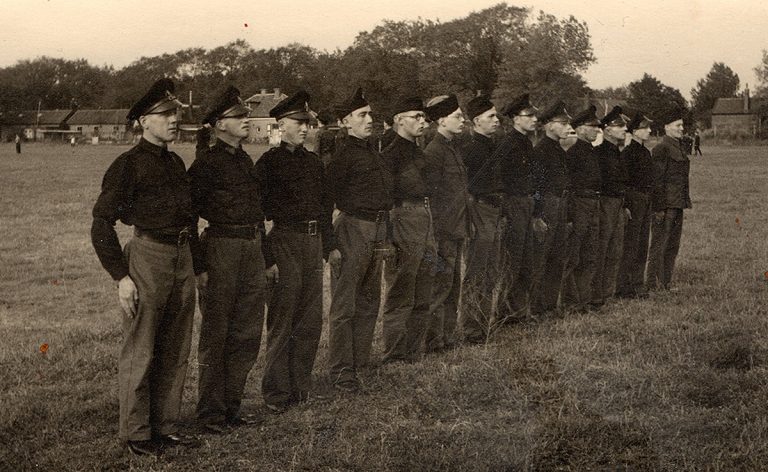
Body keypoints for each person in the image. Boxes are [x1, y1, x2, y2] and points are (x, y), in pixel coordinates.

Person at [91, 78, 198, 456]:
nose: (174, 119)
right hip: (148, 256)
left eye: (176, 113)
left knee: (175, 345)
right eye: (165, 114)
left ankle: (166, 425)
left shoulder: (175, 161)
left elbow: (188, 218)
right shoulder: (127, 166)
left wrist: (196, 267)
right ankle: (136, 434)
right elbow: (101, 222)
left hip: (181, 256)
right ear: (144, 121)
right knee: (142, 347)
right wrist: (121, 276)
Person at [188, 85, 266, 433]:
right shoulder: (206, 164)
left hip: (250, 248)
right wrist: (199, 265)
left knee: (247, 332)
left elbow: (256, 213)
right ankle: (210, 413)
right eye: (239, 117)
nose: (246, 121)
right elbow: (189, 217)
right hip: (220, 247)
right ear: (220, 125)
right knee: (217, 334)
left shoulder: (244, 158)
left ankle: (231, 406)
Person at [256, 90, 333, 412]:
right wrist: (267, 257)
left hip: (313, 245)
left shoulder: (314, 162)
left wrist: (329, 246)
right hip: (285, 240)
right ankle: (276, 392)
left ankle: (300, 387)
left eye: (307, 123)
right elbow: (256, 213)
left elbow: (325, 207)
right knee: (283, 319)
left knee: (309, 319)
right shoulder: (269, 163)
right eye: (298, 123)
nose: (305, 128)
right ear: (280, 125)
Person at [325, 87, 393, 392]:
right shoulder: (343, 156)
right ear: (346, 122)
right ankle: (341, 370)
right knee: (345, 303)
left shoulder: (373, 152)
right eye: (362, 115)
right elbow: (327, 199)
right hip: (353, 227)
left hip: (377, 228)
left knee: (369, 299)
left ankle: (359, 362)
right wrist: (331, 245)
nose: (369, 120)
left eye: (370, 114)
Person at [381, 96, 436, 363]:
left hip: (425, 218)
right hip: (403, 217)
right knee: (402, 287)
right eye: (416, 117)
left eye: (424, 117)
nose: (422, 122)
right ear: (399, 120)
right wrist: (390, 237)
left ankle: (414, 350)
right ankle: (394, 353)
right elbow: (386, 199)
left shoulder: (419, 152)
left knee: (424, 285)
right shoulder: (390, 154)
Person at [422, 94, 472, 352]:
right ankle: (433, 340)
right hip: (442, 231)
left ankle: (447, 336)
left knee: (452, 285)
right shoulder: (434, 152)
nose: (462, 120)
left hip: (456, 228)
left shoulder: (451, 148)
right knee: (440, 286)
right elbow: (430, 196)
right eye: (456, 116)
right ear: (441, 120)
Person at [459, 95, 503, 343]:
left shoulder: (493, 146)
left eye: (496, 116)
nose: (496, 120)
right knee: (477, 271)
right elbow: (466, 189)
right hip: (480, 211)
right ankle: (471, 328)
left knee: (491, 271)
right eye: (491, 117)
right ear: (477, 121)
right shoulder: (471, 150)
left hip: (494, 211)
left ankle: (484, 324)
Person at [495, 93, 542, 322]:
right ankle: (506, 312)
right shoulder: (507, 144)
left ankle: (520, 310)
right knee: (511, 260)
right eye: (529, 115)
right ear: (515, 118)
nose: (534, 119)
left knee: (526, 260)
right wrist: (505, 212)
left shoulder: (526, 142)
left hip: (527, 203)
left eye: (535, 115)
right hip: (513, 204)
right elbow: (500, 179)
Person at [529, 101, 572, 316]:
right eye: (562, 123)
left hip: (560, 204)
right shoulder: (542, 150)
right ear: (549, 125)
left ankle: (549, 305)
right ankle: (536, 307)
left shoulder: (559, 149)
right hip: (547, 204)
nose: (567, 128)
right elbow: (535, 187)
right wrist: (537, 214)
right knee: (542, 257)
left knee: (558, 256)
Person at [562, 105, 602, 312]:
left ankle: (584, 300)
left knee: (590, 253)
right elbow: (569, 185)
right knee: (575, 254)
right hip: (579, 204)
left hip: (593, 203)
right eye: (592, 126)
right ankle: (571, 302)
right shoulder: (574, 153)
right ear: (579, 129)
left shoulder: (591, 151)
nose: (597, 130)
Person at [648, 109, 690, 290]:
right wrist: (659, 208)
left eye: (682, 125)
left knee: (673, 244)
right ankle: (654, 283)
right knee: (660, 244)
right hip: (665, 204)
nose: (682, 128)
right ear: (666, 127)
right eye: (678, 125)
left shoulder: (677, 146)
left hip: (677, 202)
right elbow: (656, 180)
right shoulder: (661, 148)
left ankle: (665, 282)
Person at [591, 106, 630, 307]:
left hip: (618, 204)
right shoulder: (599, 153)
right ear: (606, 130)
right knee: (602, 248)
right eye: (619, 126)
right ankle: (596, 295)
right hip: (605, 203)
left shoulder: (617, 152)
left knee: (616, 249)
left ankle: (608, 293)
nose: (624, 130)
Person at [616, 112, 654, 299]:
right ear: (635, 131)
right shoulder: (627, 154)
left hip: (646, 200)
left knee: (642, 244)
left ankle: (638, 283)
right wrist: (628, 205)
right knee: (631, 243)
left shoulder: (646, 153)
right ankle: (624, 285)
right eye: (644, 128)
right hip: (634, 200)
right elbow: (624, 182)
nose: (649, 131)